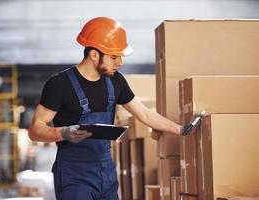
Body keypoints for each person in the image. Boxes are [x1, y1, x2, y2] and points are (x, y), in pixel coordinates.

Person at [28, 16, 182, 200]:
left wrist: (180, 129)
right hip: (74, 176)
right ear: (94, 55)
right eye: (114, 57)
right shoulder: (59, 85)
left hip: (106, 173)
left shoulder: (115, 81)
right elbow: (35, 130)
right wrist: (65, 133)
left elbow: (145, 114)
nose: (120, 62)